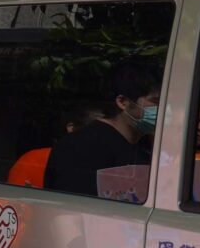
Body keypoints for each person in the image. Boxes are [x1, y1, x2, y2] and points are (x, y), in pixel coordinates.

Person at [44, 60, 157, 198]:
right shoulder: (80, 147)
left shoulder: (145, 147)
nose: (164, 108)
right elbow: (69, 210)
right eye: (155, 102)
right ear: (123, 102)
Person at [6, 101, 97, 189]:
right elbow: (14, 200)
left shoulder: (103, 163)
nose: (104, 136)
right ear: (71, 128)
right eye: (97, 130)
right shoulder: (34, 160)